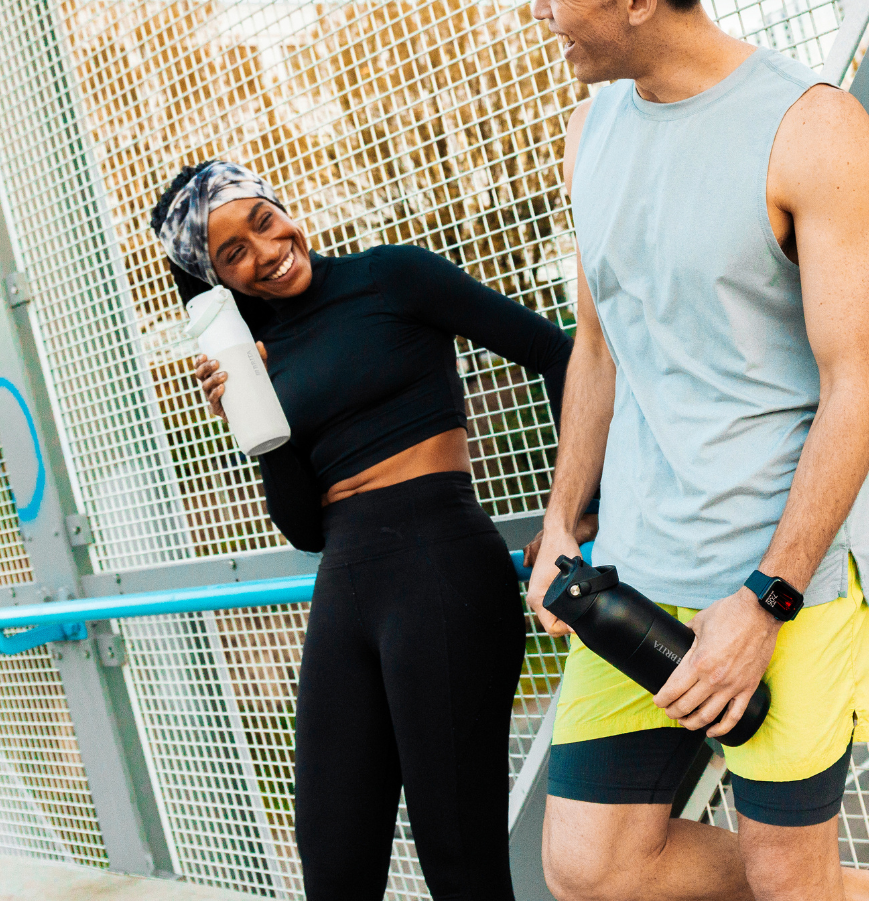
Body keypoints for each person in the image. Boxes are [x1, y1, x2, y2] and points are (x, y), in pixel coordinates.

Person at [510, 0, 869, 901]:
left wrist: (767, 598)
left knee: (786, 884)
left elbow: (858, 385)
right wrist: (561, 522)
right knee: (589, 869)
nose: (539, 15)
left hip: (779, 572)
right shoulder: (588, 131)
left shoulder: (814, 131)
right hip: (637, 570)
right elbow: (601, 341)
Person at [153, 159, 571, 901]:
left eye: (261, 221)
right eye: (233, 255)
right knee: (334, 865)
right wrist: (253, 412)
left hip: (441, 566)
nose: (266, 251)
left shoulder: (393, 277)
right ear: (218, 281)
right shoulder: (254, 354)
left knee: (460, 864)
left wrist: (570, 510)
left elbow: (557, 355)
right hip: (346, 585)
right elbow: (304, 530)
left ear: (278, 205)